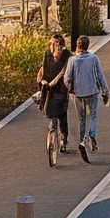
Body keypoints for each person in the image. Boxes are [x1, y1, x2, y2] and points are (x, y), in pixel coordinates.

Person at [66, 35, 108, 163]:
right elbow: (100, 75)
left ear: (77, 46)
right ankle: (91, 135)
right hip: (92, 91)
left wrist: (70, 89)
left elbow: (67, 79)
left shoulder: (72, 60)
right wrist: (105, 92)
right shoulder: (94, 58)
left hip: (78, 93)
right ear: (87, 45)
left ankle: (83, 140)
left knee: (82, 119)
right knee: (93, 115)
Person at [37, 34, 71, 167]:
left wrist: (54, 82)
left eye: (56, 44)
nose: (53, 46)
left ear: (61, 45)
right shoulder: (47, 54)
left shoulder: (66, 55)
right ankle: (53, 133)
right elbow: (43, 68)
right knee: (50, 113)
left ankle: (63, 138)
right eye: (52, 43)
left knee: (62, 115)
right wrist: (42, 80)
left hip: (60, 89)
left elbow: (64, 71)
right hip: (48, 88)